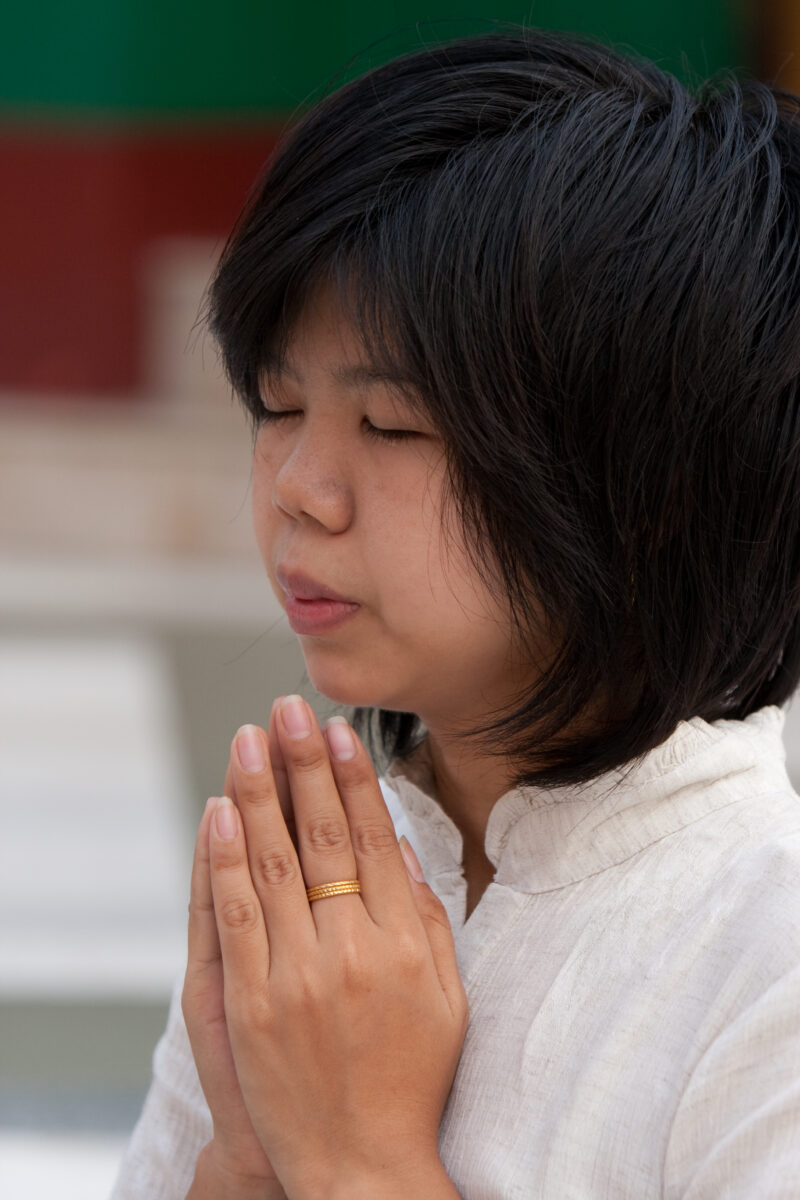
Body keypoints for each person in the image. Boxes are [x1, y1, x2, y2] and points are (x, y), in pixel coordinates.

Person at [111, 25, 800, 1200]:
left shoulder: (763, 948)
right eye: (277, 405)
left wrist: (356, 1159)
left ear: (643, 483)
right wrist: (241, 1152)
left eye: (389, 426)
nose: (299, 488)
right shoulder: (312, 885)